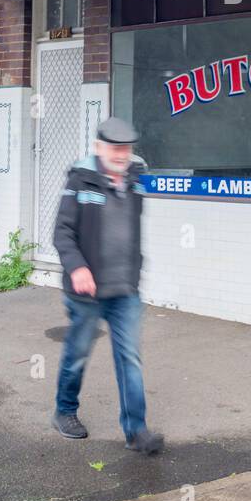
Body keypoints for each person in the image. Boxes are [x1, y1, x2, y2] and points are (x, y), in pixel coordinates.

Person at [51, 116, 164, 455]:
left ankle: (136, 431)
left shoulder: (136, 180)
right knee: (78, 353)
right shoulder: (81, 181)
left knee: (129, 358)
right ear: (99, 147)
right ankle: (64, 411)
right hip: (86, 291)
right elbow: (63, 233)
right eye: (114, 148)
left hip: (125, 290)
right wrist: (78, 268)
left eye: (126, 149)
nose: (121, 155)